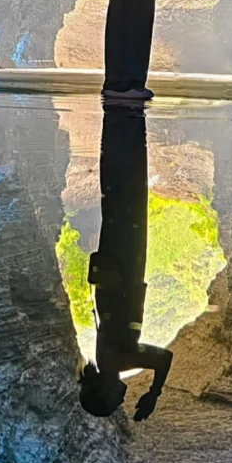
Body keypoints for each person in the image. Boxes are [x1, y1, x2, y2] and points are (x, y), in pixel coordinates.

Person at [78, 104, 172, 421]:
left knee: (128, 194)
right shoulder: (107, 360)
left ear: (103, 391)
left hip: (125, 266)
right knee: (118, 195)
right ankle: (120, 123)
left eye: (112, 403)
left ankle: (126, 120)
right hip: (115, 268)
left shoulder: (116, 361)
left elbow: (163, 359)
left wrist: (154, 393)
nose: (121, 402)